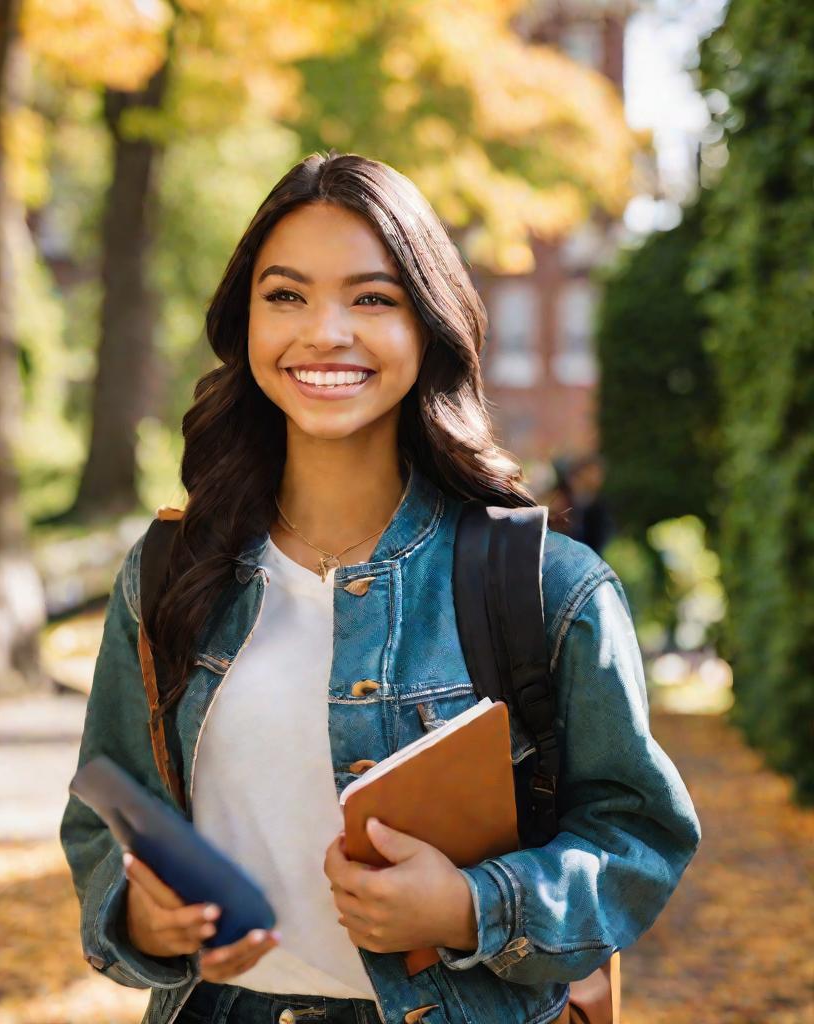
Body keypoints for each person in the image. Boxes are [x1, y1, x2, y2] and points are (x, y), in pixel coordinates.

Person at [60, 151, 701, 1024]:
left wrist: (474, 906)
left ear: (428, 325)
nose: (324, 332)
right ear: (244, 322)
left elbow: (638, 840)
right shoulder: (172, 573)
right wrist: (141, 914)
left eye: (372, 298)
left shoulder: (549, 587)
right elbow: (105, 814)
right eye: (285, 295)